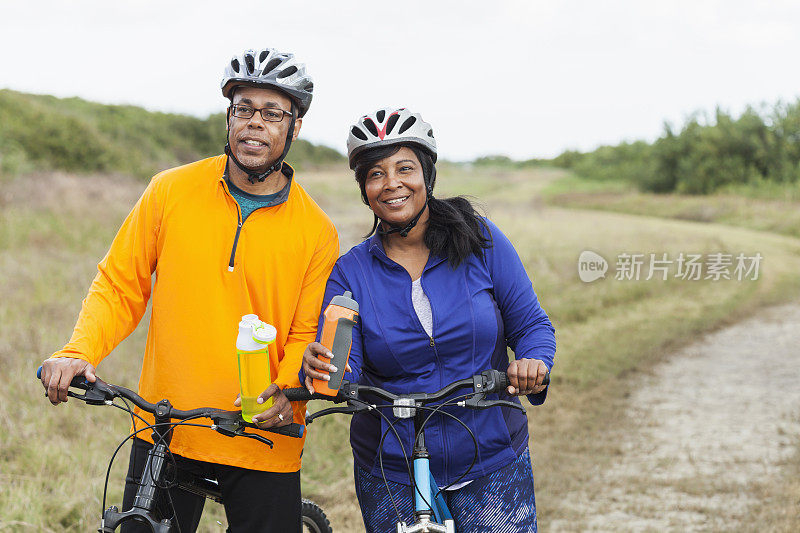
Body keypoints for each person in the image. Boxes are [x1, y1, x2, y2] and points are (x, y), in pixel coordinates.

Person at [38, 47, 338, 532]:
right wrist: (79, 350)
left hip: (264, 437)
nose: (254, 124)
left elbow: (307, 330)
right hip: (166, 429)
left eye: (272, 113)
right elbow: (119, 284)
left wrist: (288, 393)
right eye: (243, 109)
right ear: (228, 118)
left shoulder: (317, 230)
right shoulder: (169, 191)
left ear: (295, 127)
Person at [301, 107, 556, 532]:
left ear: (427, 176)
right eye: (376, 174)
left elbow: (531, 325)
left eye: (405, 168)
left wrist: (532, 362)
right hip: (392, 466)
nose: (393, 184)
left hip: (489, 451)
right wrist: (327, 368)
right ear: (365, 189)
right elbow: (345, 359)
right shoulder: (350, 272)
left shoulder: (481, 241)